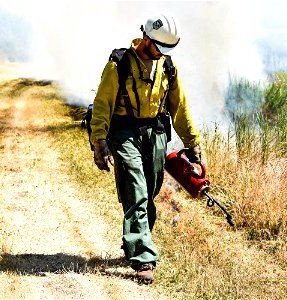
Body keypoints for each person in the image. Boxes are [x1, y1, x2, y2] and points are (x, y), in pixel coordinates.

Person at [90, 13, 202, 284]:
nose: (161, 54)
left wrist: (193, 143)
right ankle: (143, 257)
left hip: (156, 133)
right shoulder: (119, 64)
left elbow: (180, 106)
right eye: (158, 48)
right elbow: (103, 104)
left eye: (166, 50)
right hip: (125, 133)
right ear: (146, 38)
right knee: (136, 190)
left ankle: (137, 240)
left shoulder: (167, 66)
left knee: (150, 189)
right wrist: (100, 143)